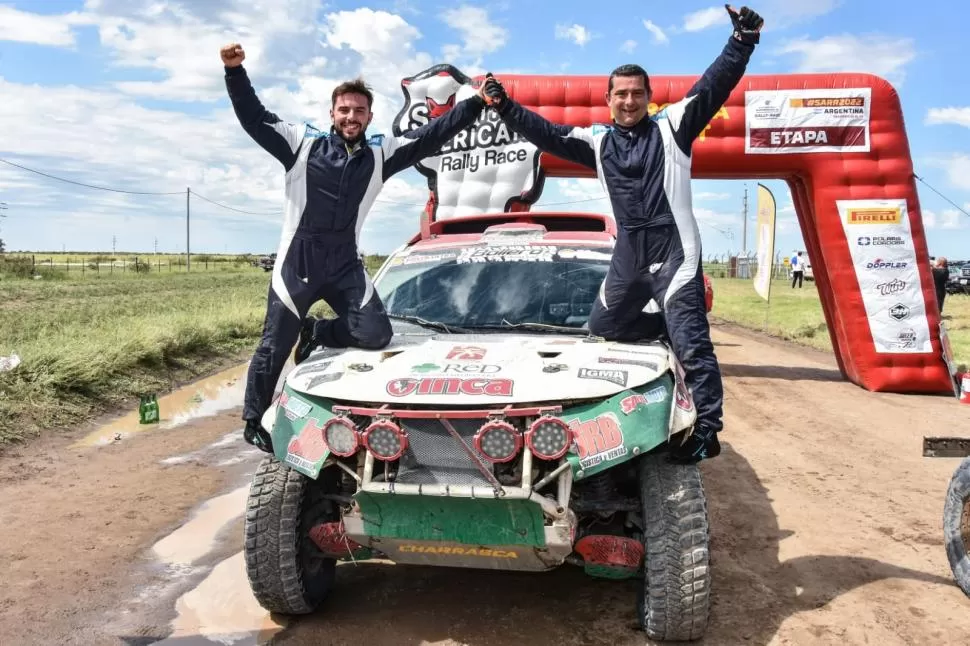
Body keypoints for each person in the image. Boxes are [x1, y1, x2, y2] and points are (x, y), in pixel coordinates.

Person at [480, 5, 764, 463]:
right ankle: (668, 325)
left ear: (649, 97)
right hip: (630, 253)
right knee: (603, 327)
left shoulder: (674, 126)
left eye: (637, 94)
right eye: (621, 95)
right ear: (608, 99)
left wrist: (743, 39)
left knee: (692, 343)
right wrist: (504, 105)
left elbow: (715, 84)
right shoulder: (597, 142)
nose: (629, 101)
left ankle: (707, 429)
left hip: (675, 251)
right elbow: (545, 133)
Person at [221, 43, 491, 452]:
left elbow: (431, 134)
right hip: (298, 262)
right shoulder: (301, 144)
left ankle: (318, 330)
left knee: (376, 334)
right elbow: (253, 117)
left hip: (345, 263)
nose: (351, 117)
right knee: (274, 344)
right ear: (332, 113)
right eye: (344, 110)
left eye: (359, 111)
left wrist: (474, 106)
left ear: (369, 116)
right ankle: (253, 417)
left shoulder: (381, 152)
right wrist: (234, 71)